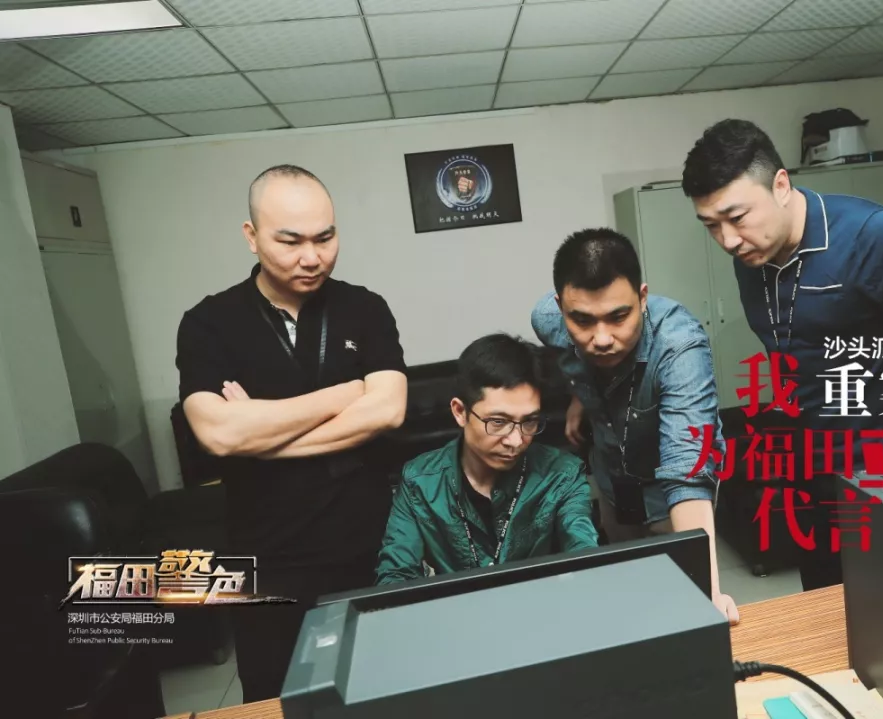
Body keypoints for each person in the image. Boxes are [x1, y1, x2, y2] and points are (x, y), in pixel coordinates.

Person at [681, 119, 883, 590]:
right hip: (816, 475)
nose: (728, 240)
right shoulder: (751, 260)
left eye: (737, 217)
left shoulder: (877, 236)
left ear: (781, 185)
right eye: (711, 226)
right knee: (834, 609)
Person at [176, 164, 407, 702]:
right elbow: (219, 435)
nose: (312, 257)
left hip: (367, 547)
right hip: (267, 561)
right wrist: (344, 394)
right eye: (290, 241)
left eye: (325, 238)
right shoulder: (209, 323)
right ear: (252, 236)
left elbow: (388, 410)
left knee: (380, 693)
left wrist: (262, 434)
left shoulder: (364, 308)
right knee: (276, 700)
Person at [531, 229, 740, 622]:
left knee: (681, 602)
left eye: (618, 317)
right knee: (629, 596)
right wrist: (580, 394)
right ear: (560, 308)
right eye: (582, 320)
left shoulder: (679, 346)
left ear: (642, 298)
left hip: (667, 497)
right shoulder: (547, 320)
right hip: (612, 484)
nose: (601, 339)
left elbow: (687, 469)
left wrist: (708, 592)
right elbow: (569, 354)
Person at [375, 334, 598, 583]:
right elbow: (395, 577)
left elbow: (584, 554)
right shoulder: (420, 482)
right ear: (460, 412)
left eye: (529, 421)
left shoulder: (563, 474)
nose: (516, 441)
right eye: (498, 422)